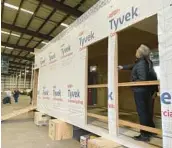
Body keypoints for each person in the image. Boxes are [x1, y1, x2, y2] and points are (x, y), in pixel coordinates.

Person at [118, 44, 158, 142]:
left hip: (141, 91)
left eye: (137, 50)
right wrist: (122, 67)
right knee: (147, 112)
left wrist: (131, 82)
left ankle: (144, 135)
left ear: (140, 53)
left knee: (142, 113)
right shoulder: (144, 62)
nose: (136, 50)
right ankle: (151, 130)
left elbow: (142, 79)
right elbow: (133, 66)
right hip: (147, 91)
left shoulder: (141, 64)